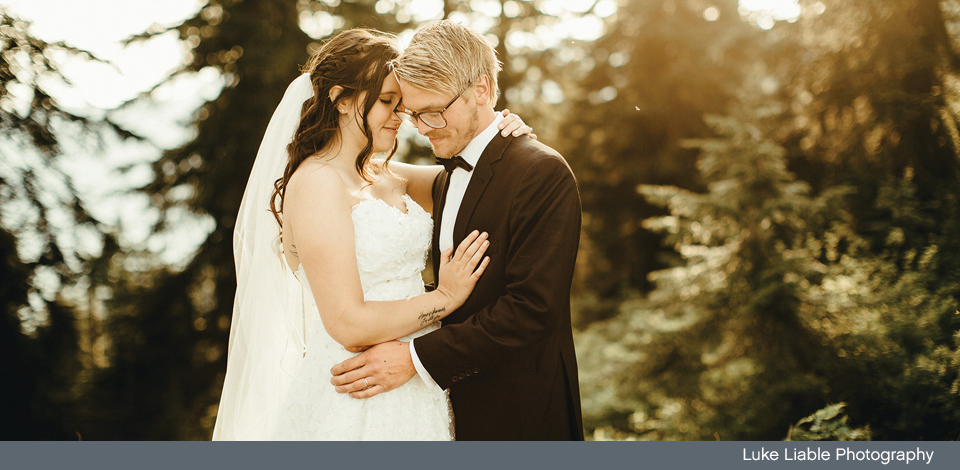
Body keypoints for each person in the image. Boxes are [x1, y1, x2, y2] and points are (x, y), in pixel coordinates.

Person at [212, 28, 533, 440]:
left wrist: (497, 132)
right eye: (387, 102)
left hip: (415, 385)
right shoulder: (316, 184)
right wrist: (445, 298)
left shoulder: (386, 175)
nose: (402, 117)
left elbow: (476, 180)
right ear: (341, 99)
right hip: (357, 391)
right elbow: (347, 322)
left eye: (403, 105)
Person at [331, 21, 584, 441]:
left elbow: (531, 310)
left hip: (523, 415)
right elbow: (357, 175)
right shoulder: (445, 177)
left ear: (480, 91)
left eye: (434, 111)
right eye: (413, 114)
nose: (423, 127)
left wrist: (414, 358)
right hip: (444, 413)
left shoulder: (542, 172)